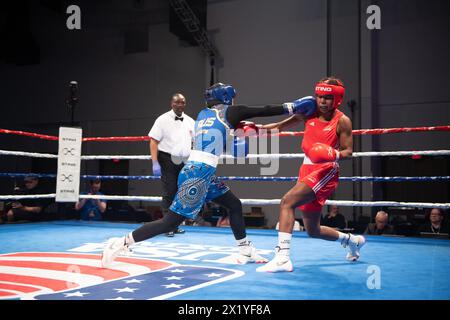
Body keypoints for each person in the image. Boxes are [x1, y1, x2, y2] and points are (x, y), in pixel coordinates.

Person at [101, 82, 316, 268]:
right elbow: (264, 109)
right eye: (232, 97)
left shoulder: (203, 116)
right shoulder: (231, 112)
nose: (235, 101)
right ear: (226, 97)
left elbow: (234, 138)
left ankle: (244, 249)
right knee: (170, 222)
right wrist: (292, 107)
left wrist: (245, 134)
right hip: (199, 174)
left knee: (233, 204)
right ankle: (120, 244)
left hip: (200, 170)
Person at [256, 77, 366, 273]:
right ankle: (352, 241)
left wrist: (333, 153)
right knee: (312, 230)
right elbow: (281, 126)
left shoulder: (342, 121)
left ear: (337, 99)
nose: (322, 101)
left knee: (287, 201)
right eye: (319, 96)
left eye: (327, 97)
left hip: (326, 170)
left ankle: (282, 258)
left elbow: (348, 151)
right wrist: (255, 130)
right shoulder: (309, 111)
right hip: (307, 168)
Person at [149, 93, 195, 237]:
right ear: (172, 103)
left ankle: (175, 225)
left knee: (182, 193)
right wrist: (155, 162)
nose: (180, 105)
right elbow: (153, 141)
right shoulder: (162, 119)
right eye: (177, 102)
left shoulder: (190, 121)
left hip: (185, 160)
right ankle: (166, 226)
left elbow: (195, 143)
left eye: (183, 102)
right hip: (167, 159)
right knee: (170, 191)